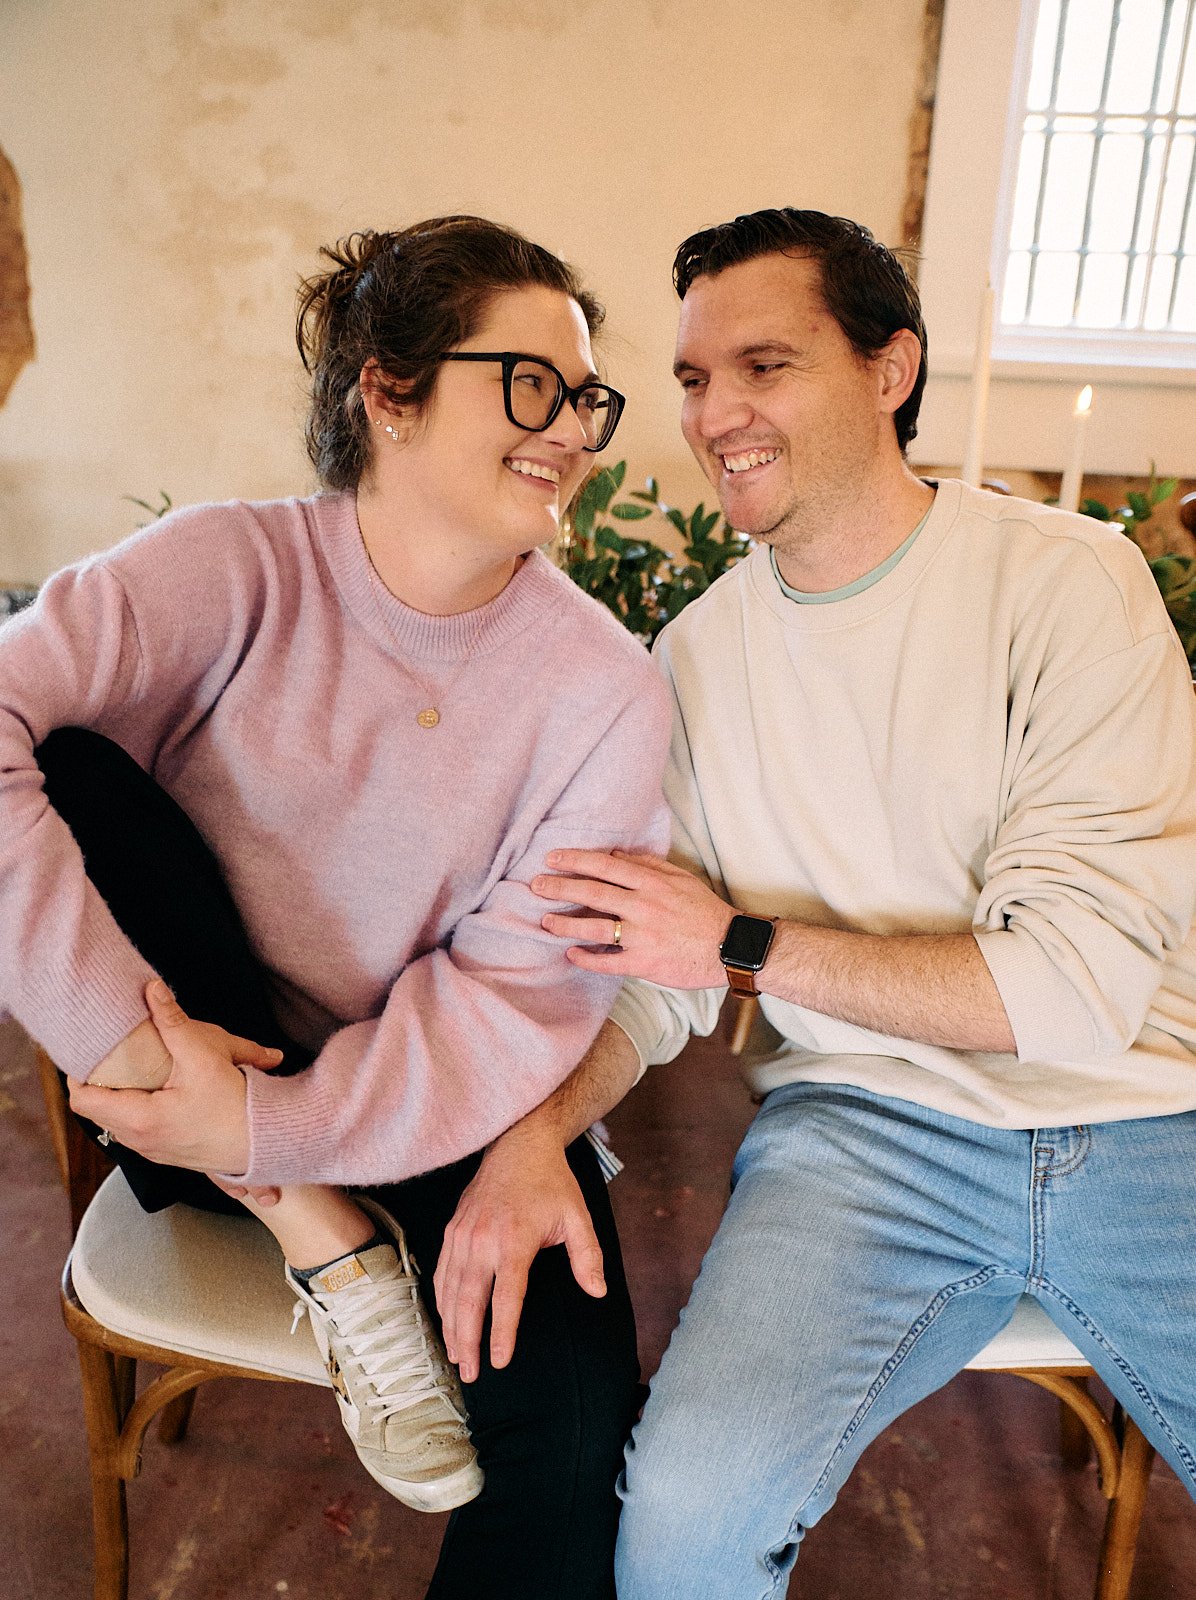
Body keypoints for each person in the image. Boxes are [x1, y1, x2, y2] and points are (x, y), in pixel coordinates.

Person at [436, 207, 1196, 1598]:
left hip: (1152, 1122)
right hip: (866, 1135)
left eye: (765, 367)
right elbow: (658, 978)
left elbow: (1074, 993)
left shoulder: (1070, 583)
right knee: (679, 1529)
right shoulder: (695, 658)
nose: (714, 413)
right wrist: (534, 1133)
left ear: (890, 367)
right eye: (690, 379)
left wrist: (738, 942)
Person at [2, 215, 671, 1599]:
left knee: (578, 1438)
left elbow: (513, 999)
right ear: (388, 388)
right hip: (176, 1076)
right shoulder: (229, 568)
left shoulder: (603, 689)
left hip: (444, 1101)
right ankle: (325, 1244)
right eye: (529, 383)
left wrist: (282, 1122)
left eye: (586, 397)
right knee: (68, 764)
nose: (572, 431)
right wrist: (214, 1114)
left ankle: (325, 1210)